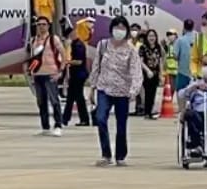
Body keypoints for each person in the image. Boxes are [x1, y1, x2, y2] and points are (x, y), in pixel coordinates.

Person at [87, 15, 144, 166]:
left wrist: (134, 90)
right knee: (100, 118)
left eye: (122, 28)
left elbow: (136, 71)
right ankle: (106, 154)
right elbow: (96, 67)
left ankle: (120, 155)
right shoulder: (103, 45)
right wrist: (92, 89)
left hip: (122, 91)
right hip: (104, 88)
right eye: (116, 27)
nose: (119, 31)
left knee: (121, 125)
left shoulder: (131, 50)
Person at [25, 16, 66, 136]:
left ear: (48, 26)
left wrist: (60, 71)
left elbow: (63, 55)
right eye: (39, 24)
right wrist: (31, 73)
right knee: (41, 102)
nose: (41, 27)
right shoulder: (33, 41)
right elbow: (32, 59)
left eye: (43, 24)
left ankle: (58, 125)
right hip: (38, 74)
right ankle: (45, 126)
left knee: (54, 100)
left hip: (51, 73)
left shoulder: (54, 39)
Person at [62, 21, 91, 127]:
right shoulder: (75, 44)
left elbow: (79, 61)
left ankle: (83, 119)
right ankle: (66, 118)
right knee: (71, 97)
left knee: (78, 98)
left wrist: (67, 62)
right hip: (76, 74)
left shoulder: (78, 45)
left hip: (79, 75)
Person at [137, 29, 164, 119]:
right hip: (146, 73)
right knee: (147, 92)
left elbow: (160, 61)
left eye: (153, 36)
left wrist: (161, 74)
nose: (152, 38)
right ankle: (147, 112)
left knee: (153, 93)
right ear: (147, 37)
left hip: (155, 73)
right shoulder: (143, 47)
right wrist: (148, 71)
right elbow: (140, 62)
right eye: (150, 36)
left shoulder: (158, 47)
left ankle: (150, 111)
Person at [174, 18, 197, 93]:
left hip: (183, 72)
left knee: (181, 95)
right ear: (193, 27)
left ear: (184, 27)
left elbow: (175, 56)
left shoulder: (180, 40)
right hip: (196, 74)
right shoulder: (199, 39)